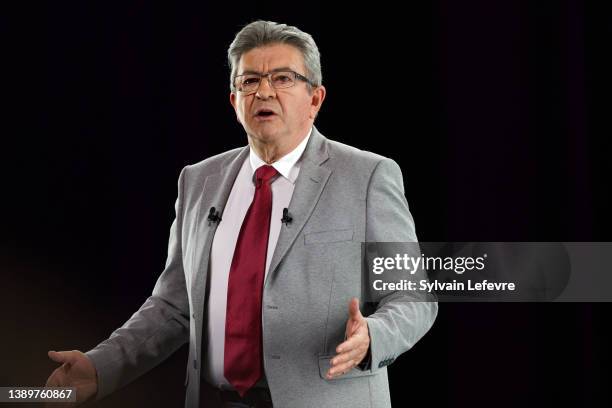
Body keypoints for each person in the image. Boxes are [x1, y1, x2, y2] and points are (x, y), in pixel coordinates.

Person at [45, 20, 437, 408]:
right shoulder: (197, 181)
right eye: (249, 81)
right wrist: (99, 368)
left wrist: (373, 335)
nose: (263, 91)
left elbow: (413, 297)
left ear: (315, 99)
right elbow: (172, 307)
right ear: (234, 101)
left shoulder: (367, 176)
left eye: (282, 78)